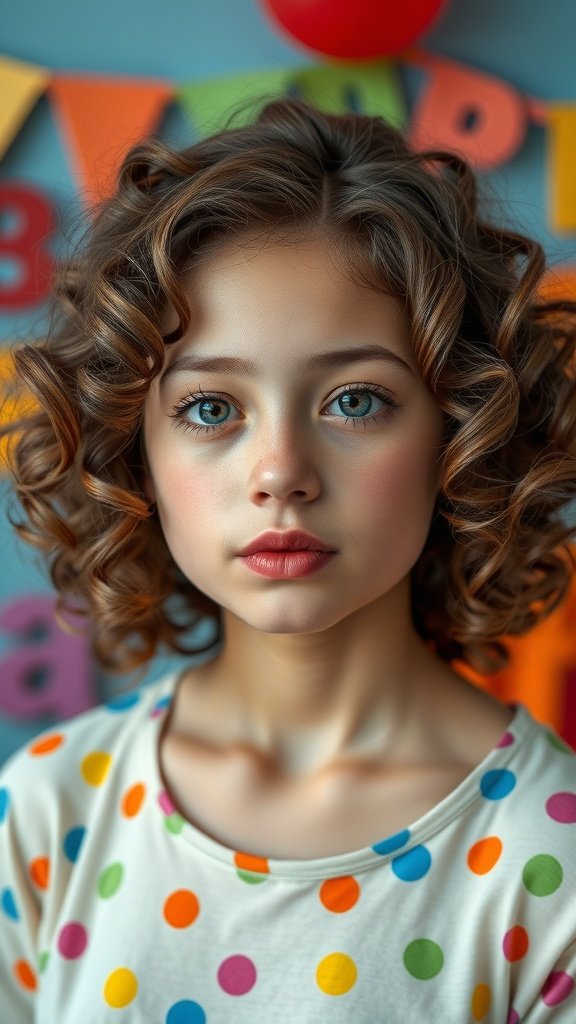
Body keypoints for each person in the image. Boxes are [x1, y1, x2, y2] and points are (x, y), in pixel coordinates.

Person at [1, 97, 576, 1023]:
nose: (281, 474)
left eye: (354, 401)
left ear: (461, 432)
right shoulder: (45, 814)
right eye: (210, 409)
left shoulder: (552, 866)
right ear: (133, 450)